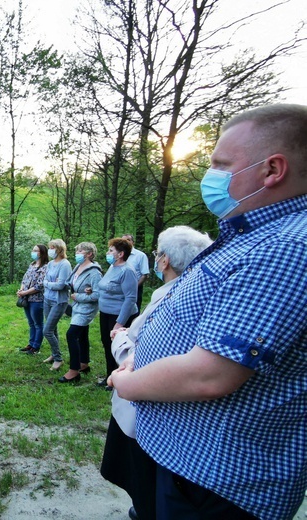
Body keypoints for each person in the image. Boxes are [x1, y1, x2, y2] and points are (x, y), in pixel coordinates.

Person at [111, 104, 307, 520]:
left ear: (272, 169)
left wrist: (128, 383)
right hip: (194, 468)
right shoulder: (254, 236)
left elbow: (211, 373)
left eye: (221, 164)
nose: (210, 176)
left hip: (217, 483)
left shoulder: (284, 248)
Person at [101, 226, 212, 520]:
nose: (155, 259)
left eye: (157, 254)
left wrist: (121, 338)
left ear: (164, 261)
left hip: (144, 404)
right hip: (150, 403)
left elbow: (147, 350)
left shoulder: (173, 297)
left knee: (144, 474)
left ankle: (146, 509)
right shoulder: (183, 292)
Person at [97, 237, 137, 387]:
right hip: (105, 313)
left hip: (119, 316)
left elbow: (130, 298)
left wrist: (119, 323)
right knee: (107, 344)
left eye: (111, 250)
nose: (108, 253)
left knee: (119, 348)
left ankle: (121, 379)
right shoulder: (112, 267)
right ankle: (109, 377)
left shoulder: (127, 271)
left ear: (120, 254)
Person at [59, 242, 102, 384]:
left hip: (86, 308)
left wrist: (80, 296)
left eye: (80, 251)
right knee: (82, 334)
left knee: (71, 334)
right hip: (77, 306)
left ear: (89, 254)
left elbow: (97, 295)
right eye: (77, 250)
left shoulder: (94, 272)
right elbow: (70, 282)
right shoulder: (78, 266)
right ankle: (84, 363)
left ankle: (74, 371)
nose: (77, 253)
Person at [41, 239, 71, 371]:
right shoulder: (51, 264)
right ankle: (54, 354)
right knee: (52, 329)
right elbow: (45, 279)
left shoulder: (65, 264)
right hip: (47, 298)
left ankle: (59, 358)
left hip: (59, 301)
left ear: (59, 249)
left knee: (47, 331)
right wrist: (49, 283)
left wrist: (48, 283)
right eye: (49, 247)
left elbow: (60, 285)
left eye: (52, 247)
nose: (50, 250)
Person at [17, 244, 49, 355]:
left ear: (42, 253)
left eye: (36, 250)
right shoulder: (32, 265)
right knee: (31, 323)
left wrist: (25, 292)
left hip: (37, 300)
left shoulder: (46, 267)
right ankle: (30, 344)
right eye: (33, 250)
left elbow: (40, 285)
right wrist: (21, 290)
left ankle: (36, 347)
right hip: (26, 299)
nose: (33, 252)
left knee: (38, 324)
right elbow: (25, 279)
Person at [122, 234, 149, 315]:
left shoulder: (140, 255)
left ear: (133, 242)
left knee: (133, 313)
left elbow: (145, 275)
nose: (125, 242)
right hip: (120, 289)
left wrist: (134, 287)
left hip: (135, 289)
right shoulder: (119, 255)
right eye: (123, 241)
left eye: (128, 240)